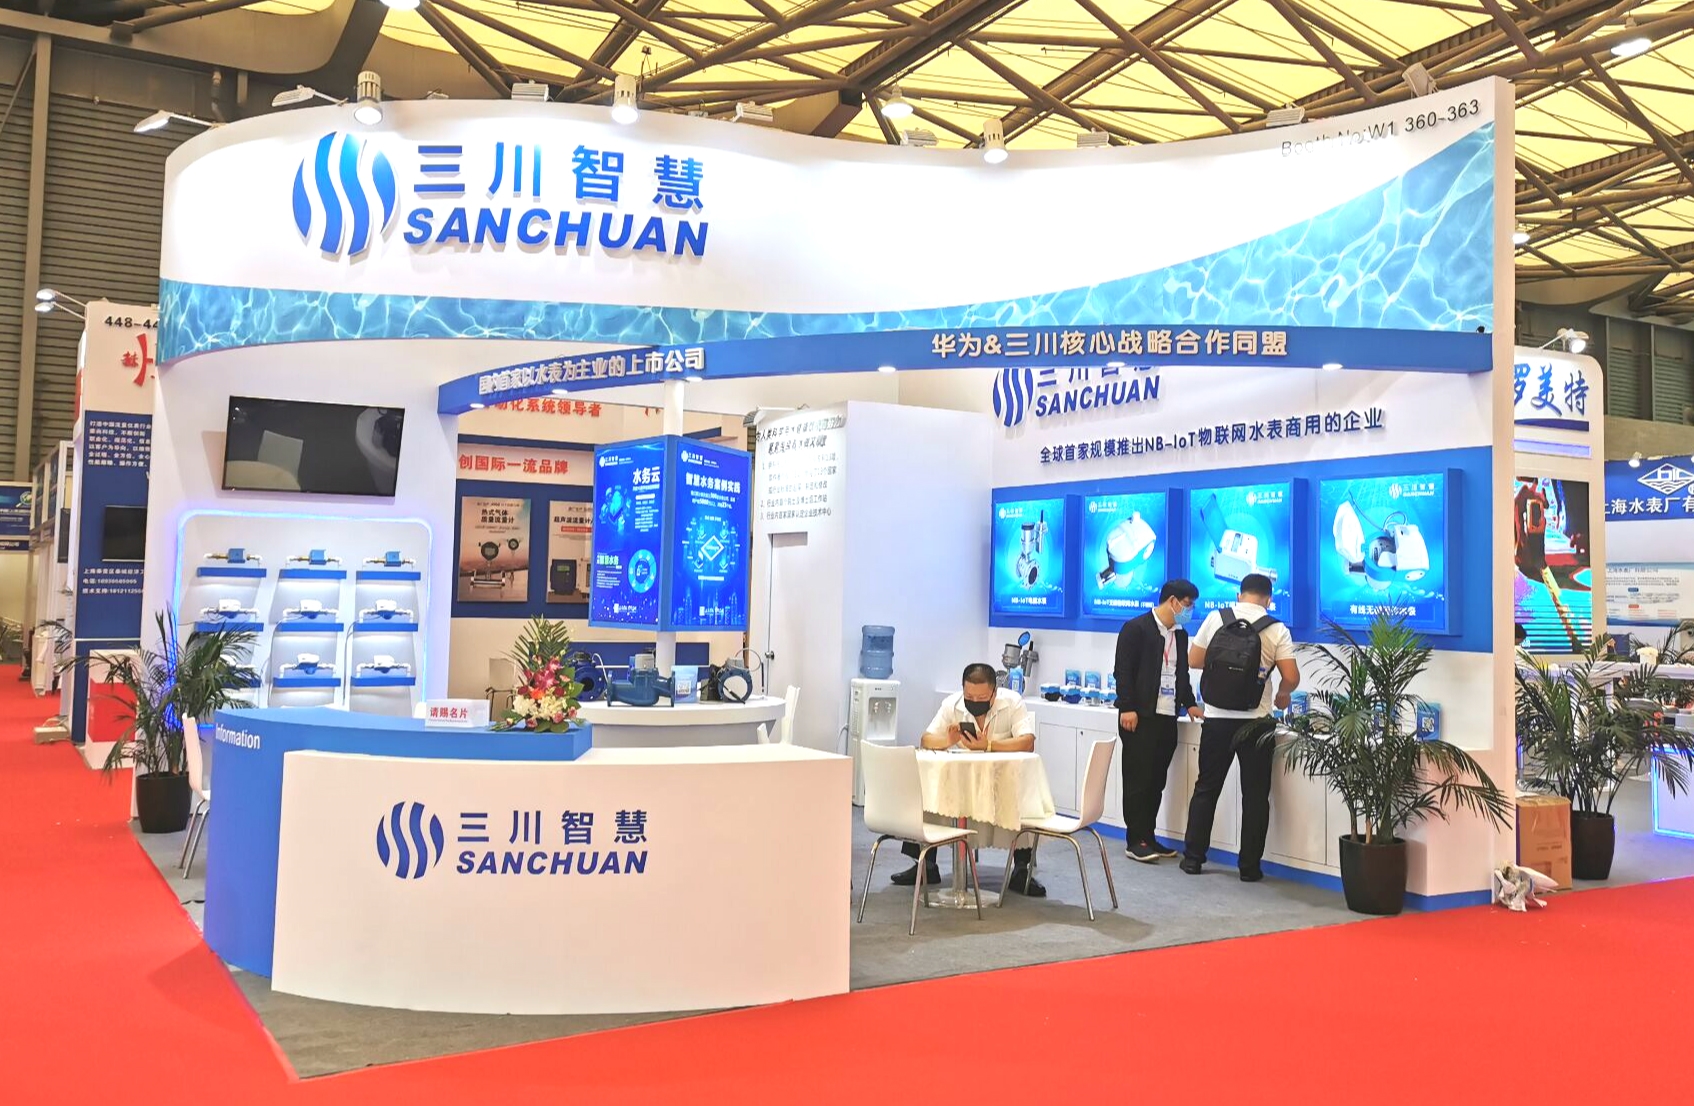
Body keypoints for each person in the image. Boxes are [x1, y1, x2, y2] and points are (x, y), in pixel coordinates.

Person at [888, 663, 1045, 896]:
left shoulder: (1012, 703)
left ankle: (1022, 869)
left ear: (994, 693)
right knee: (927, 789)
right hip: (960, 782)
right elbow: (926, 739)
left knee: (1022, 795)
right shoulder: (952, 704)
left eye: (981, 698)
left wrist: (989, 745)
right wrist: (947, 741)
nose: (974, 701)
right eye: (969, 696)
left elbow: (1027, 742)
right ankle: (926, 864)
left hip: (1002, 780)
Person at [1183, 574, 1299, 881]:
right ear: (1269, 600)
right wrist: (1283, 693)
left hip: (1216, 719)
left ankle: (1193, 859)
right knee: (1256, 795)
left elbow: (1194, 660)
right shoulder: (1276, 628)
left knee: (1206, 789)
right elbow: (1291, 676)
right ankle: (1249, 868)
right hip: (1257, 723)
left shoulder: (1216, 618)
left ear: (1239, 595)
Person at [1113, 578, 1204, 863]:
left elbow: (1181, 674)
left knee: (1156, 782)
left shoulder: (1180, 635)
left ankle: (1148, 836)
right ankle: (1135, 840)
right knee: (1137, 781)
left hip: (1167, 716)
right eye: (1187, 605)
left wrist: (1190, 703)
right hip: (1139, 716)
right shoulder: (1136, 628)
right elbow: (1123, 671)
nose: (1189, 611)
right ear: (1172, 601)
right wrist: (1127, 706)